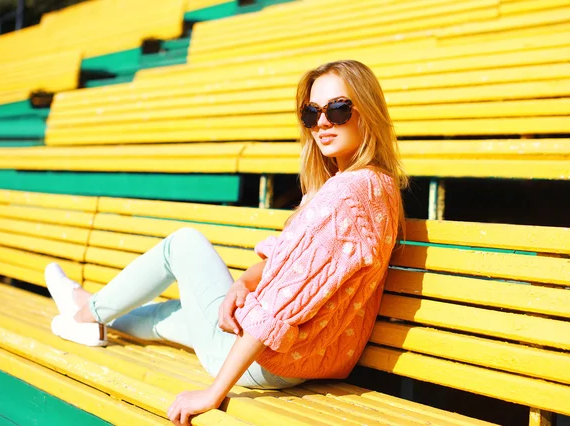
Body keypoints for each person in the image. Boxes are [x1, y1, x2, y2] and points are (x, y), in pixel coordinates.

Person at [45, 59, 407, 426]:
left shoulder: (346, 194)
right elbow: (293, 264)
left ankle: (86, 312)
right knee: (171, 316)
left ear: (368, 111)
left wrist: (213, 393)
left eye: (339, 109)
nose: (323, 123)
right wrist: (242, 282)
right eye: (312, 113)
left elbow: (273, 311)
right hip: (306, 359)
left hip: (271, 361)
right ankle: (90, 313)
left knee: (183, 244)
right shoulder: (379, 185)